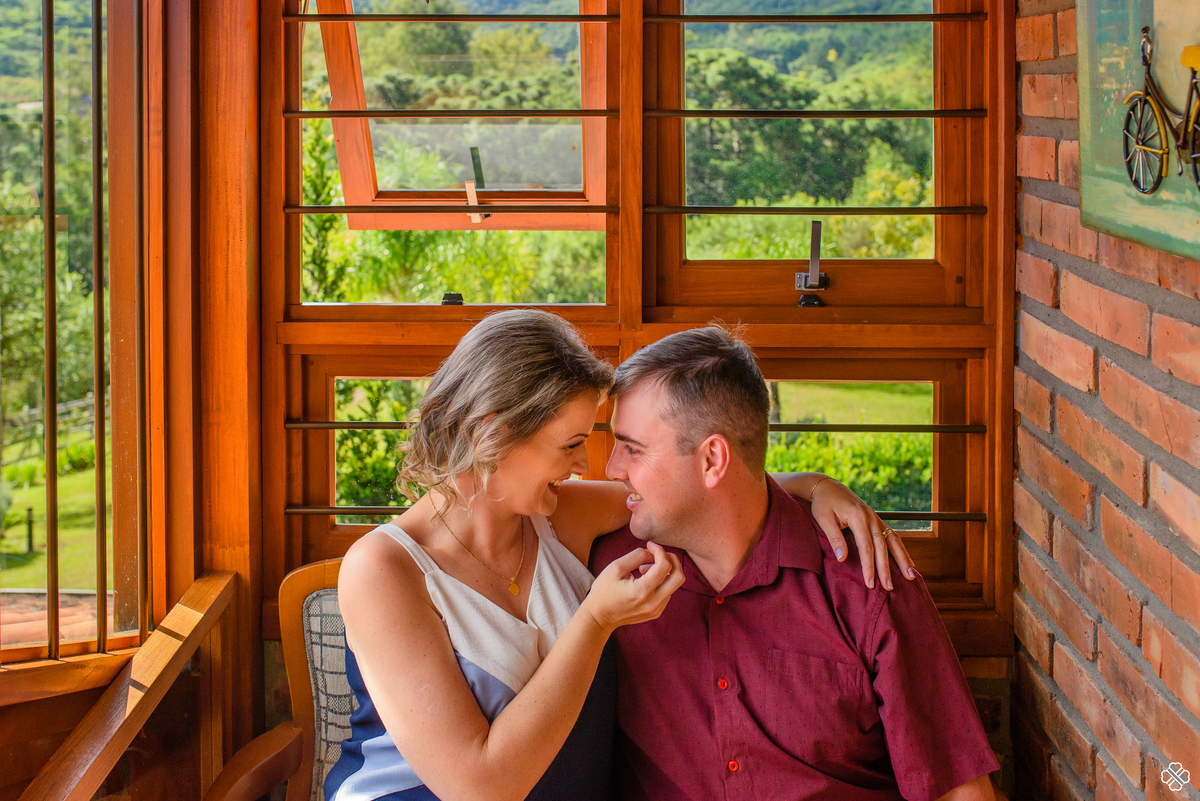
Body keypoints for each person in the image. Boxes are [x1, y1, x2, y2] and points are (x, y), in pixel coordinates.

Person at [328, 310, 914, 801]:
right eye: (572, 445)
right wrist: (595, 620)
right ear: (495, 434)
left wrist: (815, 486)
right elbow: (480, 785)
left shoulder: (558, 515)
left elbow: (709, 485)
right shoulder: (383, 570)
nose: (588, 467)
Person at [591, 325, 1000, 801]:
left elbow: (960, 789)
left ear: (712, 460)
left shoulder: (862, 576)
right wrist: (813, 481)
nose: (611, 468)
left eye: (632, 448)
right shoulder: (611, 572)